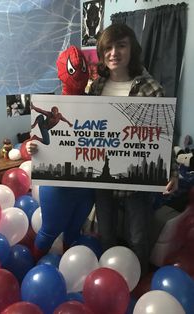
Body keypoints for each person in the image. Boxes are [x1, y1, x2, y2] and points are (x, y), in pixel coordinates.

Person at [88, 23, 178, 276]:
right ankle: (107, 282)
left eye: (121, 45)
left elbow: (163, 136)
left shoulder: (151, 88)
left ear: (132, 50)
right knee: (106, 234)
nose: (114, 52)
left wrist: (172, 172)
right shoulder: (95, 88)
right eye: (108, 47)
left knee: (138, 238)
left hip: (137, 178)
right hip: (103, 178)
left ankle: (135, 284)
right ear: (102, 52)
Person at [27, 45, 95, 261]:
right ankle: (30, 270)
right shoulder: (51, 105)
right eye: (73, 69)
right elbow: (33, 140)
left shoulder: (98, 104)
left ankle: (68, 269)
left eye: (81, 68)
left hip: (86, 185)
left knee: (75, 231)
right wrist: (29, 147)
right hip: (58, 185)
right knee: (49, 232)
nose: (78, 75)